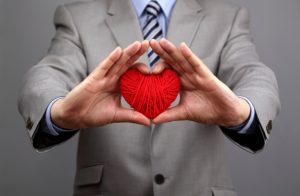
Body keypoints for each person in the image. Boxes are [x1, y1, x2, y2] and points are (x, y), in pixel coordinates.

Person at [18, 0, 280, 195]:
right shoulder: (77, 17)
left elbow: (254, 73)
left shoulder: (228, 17)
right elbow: (46, 74)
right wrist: (58, 113)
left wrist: (242, 112)